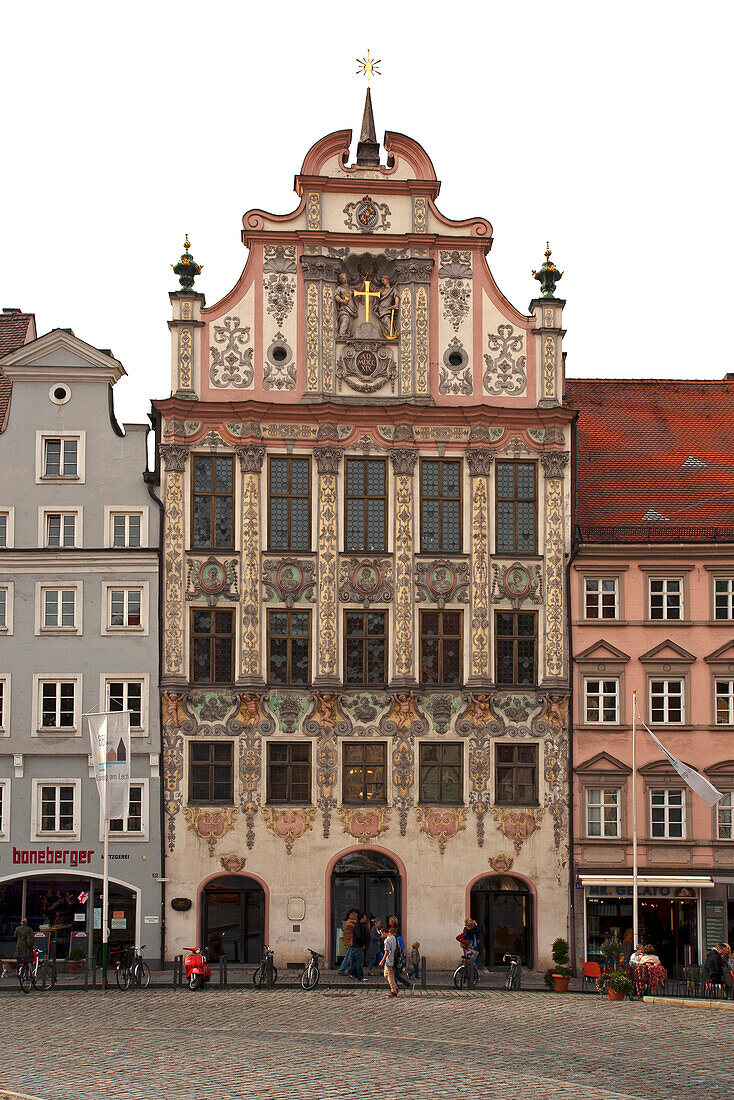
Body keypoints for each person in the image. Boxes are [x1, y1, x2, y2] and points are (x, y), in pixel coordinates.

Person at [456, 918, 479, 983]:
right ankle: (473, 976)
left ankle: (463, 972)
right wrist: (476, 925)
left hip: (467, 947)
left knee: (468, 961)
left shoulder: (466, 931)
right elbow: (477, 931)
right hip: (469, 948)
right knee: (472, 962)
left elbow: (458, 937)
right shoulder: (468, 931)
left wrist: (464, 942)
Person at [337, 910, 358, 977]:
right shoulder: (349, 924)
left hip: (350, 942)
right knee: (347, 957)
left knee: (352, 957)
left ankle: (352, 970)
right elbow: (356, 926)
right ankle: (341, 970)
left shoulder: (349, 923)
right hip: (349, 943)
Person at [379, 926, 399, 998]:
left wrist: (382, 961)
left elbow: (386, 952)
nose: (381, 935)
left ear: (384, 932)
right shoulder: (393, 938)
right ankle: (395, 987)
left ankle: (394, 991)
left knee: (390, 976)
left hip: (389, 960)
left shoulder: (387, 940)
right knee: (386, 974)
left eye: (382, 933)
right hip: (393, 959)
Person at [351, 912, 367, 981]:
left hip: (357, 945)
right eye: (365, 917)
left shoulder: (359, 925)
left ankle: (355, 974)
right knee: (359, 962)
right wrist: (362, 944)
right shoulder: (358, 926)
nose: (365, 919)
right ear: (362, 918)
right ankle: (354, 973)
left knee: (357, 961)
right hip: (358, 946)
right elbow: (359, 936)